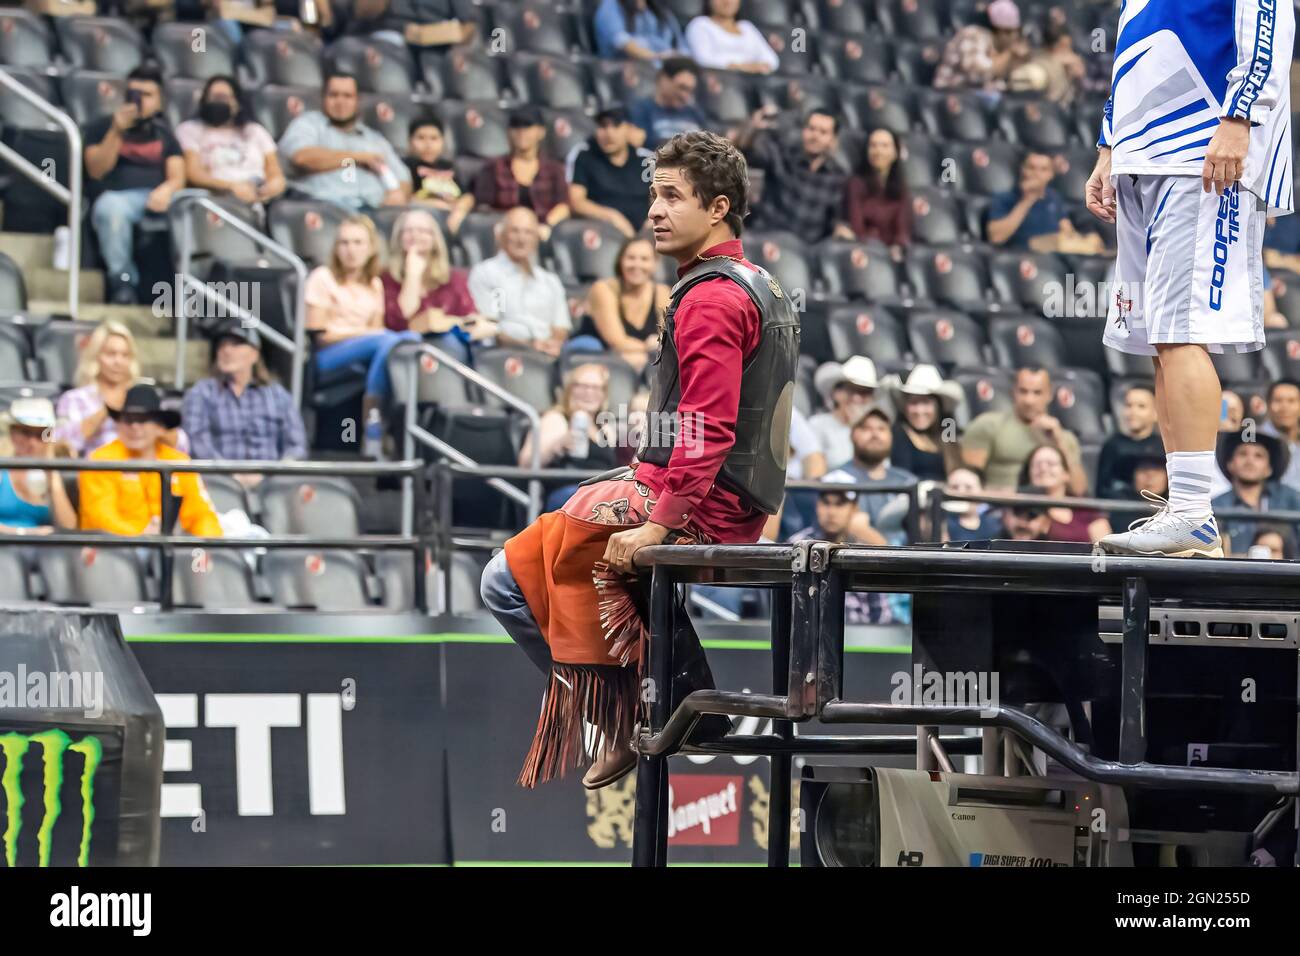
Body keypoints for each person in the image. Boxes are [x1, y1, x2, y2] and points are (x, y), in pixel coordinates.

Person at [480, 130, 798, 790]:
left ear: (718, 208)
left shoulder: (710, 296)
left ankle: (633, 714)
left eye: (671, 197)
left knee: (504, 582)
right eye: (652, 195)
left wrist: (658, 522)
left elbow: (707, 427)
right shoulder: (757, 281)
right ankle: (682, 695)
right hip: (730, 497)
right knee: (560, 540)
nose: (653, 210)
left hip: (699, 501)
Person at [1089, 0, 1295, 559]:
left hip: (1198, 142)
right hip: (1142, 151)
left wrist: (1241, 115)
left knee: (1182, 332)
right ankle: (1185, 516)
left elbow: (1269, 14)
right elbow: (1134, 40)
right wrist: (1110, 143)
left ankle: (1193, 513)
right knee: (1160, 339)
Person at [304, 214, 419, 458]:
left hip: (367, 355)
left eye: (358, 243)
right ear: (335, 248)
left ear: (370, 248)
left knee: (410, 340)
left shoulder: (374, 284)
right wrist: (366, 334)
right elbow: (320, 334)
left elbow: (378, 338)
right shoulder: (322, 277)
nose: (350, 250)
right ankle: (375, 431)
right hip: (327, 356)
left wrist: (372, 335)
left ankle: (395, 427)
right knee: (390, 339)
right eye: (344, 243)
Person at [84, 62, 186, 305]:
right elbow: (96, 170)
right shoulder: (102, 126)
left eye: (148, 95)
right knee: (111, 208)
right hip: (116, 197)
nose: (140, 100)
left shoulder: (166, 133)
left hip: (156, 198)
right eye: (134, 93)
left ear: (160, 101)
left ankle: (185, 293)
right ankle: (122, 281)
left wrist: (167, 190)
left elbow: (178, 177)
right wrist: (117, 132)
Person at [79, 385, 223, 538]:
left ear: (160, 427)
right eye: (128, 419)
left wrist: (207, 548)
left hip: (170, 549)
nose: (134, 426)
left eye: (143, 420)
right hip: (115, 552)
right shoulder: (100, 461)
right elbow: (100, 519)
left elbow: (202, 515)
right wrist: (141, 536)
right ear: (118, 424)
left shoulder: (179, 462)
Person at [181, 320, 308, 486]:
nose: (227, 350)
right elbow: (197, 443)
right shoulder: (202, 393)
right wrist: (231, 474)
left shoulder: (278, 395)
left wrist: (271, 474)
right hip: (218, 482)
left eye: (236, 344)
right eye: (222, 345)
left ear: (254, 354)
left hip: (272, 482)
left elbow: (297, 445)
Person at [55, 320, 189, 457]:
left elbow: (182, 445)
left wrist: (153, 425)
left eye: (125, 355)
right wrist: (106, 411)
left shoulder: (144, 395)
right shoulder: (75, 398)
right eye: (110, 354)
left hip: (144, 471)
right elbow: (59, 444)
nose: (118, 362)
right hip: (97, 471)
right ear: (96, 356)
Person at [279, 72, 409, 212]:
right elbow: (302, 158)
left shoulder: (374, 138)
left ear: (358, 101)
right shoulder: (308, 124)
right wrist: (359, 157)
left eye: (347, 96)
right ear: (323, 98)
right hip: (322, 207)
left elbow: (404, 179)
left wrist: (397, 194)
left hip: (372, 210)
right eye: (334, 95)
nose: (340, 102)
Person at [382, 209, 494, 365]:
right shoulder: (386, 278)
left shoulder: (453, 278)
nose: (415, 235)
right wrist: (413, 274)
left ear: (435, 238)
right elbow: (400, 319)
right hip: (406, 351)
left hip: (453, 343)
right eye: (408, 231)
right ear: (398, 238)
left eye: (423, 231)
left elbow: (470, 315)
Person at [447, 106, 570, 238]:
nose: (521, 132)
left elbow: (563, 206)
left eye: (528, 126)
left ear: (541, 131)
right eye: (516, 126)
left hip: (541, 233)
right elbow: (475, 198)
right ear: (508, 132)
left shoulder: (554, 170)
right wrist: (458, 212)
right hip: (502, 233)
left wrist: (546, 224)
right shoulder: (494, 167)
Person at [789, 470, 892, 624]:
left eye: (840, 504)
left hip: (861, 638)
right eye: (826, 502)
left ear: (854, 508)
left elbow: (881, 615)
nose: (831, 512)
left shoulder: (865, 551)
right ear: (817, 505)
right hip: (807, 635)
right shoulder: (797, 544)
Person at [962, 367, 1086, 494]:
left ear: (1049, 394)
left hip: (1052, 507)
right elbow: (967, 480)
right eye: (1023, 391)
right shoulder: (988, 425)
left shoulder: (1065, 438)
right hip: (998, 507)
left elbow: (1079, 491)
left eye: (1037, 392)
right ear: (1013, 392)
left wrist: (1059, 441)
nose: (1029, 400)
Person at [467, 207, 572, 356]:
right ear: (501, 236)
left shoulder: (550, 281)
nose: (521, 239)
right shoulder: (487, 273)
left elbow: (561, 326)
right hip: (504, 353)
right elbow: (490, 327)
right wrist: (530, 346)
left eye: (528, 232)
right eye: (515, 231)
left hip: (547, 356)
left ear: (536, 238)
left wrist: (553, 343)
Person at [736, 107, 849, 245]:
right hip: (765, 239)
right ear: (803, 131)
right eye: (811, 129)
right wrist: (752, 127)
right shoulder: (782, 153)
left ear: (833, 140)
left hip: (804, 253)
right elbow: (745, 150)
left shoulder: (838, 177)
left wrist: (841, 228)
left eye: (823, 132)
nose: (815, 136)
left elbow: (836, 220)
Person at [519, 363, 621, 511]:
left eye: (596, 387)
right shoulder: (557, 419)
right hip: (569, 495)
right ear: (569, 390)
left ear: (604, 394)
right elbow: (526, 464)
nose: (589, 392)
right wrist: (557, 446)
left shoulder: (605, 428)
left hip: (604, 494)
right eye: (582, 386)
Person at [175, 74, 285, 208]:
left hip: (258, 194)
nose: (219, 103)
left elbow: (274, 171)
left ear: (237, 104)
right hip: (216, 197)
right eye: (214, 97)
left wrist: (272, 186)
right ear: (204, 101)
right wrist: (231, 187)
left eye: (224, 98)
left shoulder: (255, 130)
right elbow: (193, 173)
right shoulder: (189, 129)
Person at [584, 235, 670, 371]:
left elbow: (668, 338)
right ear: (620, 261)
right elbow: (617, 341)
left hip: (645, 362)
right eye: (631, 258)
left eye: (644, 259)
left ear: (655, 264)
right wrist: (650, 347)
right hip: (603, 358)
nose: (637, 265)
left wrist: (657, 346)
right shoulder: (603, 289)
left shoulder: (662, 292)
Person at [568, 106, 655, 238]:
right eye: (603, 126)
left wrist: (652, 223)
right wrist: (611, 216)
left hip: (647, 236)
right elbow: (576, 202)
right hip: (604, 234)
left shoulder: (647, 160)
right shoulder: (585, 157)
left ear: (629, 128)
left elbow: (660, 198)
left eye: (616, 125)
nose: (609, 133)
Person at [835, 406, 917, 544]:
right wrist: (895, 559)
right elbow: (856, 528)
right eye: (866, 428)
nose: (875, 434)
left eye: (881, 429)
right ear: (852, 434)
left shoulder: (906, 480)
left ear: (891, 436)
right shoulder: (838, 479)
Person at [1211, 432, 1300, 554]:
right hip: (1232, 572)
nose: (1250, 461)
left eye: (1259, 456)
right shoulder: (1216, 505)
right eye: (1242, 454)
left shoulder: (1291, 499)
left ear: (1269, 468)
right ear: (1230, 464)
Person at [0, 398, 77, 535]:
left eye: (41, 434)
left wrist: (52, 474)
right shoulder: (3, 468)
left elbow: (68, 528)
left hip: (44, 552)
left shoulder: (53, 473)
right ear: (12, 432)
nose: (32, 442)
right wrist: (26, 533)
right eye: (25, 432)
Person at [882, 364, 963, 482]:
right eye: (913, 403)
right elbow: (901, 479)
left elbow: (957, 468)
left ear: (938, 406)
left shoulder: (948, 429)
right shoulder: (898, 433)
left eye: (925, 403)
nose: (919, 411)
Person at [933, 0, 1031, 96]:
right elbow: (976, 73)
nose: (1013, 36)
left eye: (1016, 31)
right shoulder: (973, 34)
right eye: (1007, 32)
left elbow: (1004, 81)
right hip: (950, 93)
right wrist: (1009, 54)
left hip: (976, 96)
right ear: (994, 29)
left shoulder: (1001, 48)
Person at [1020, 443, 1111, 543]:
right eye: (1037, 464)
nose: (1043, 468)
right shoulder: (1019, 509)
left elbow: (1105, 551)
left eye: (1050, 464)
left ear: (1066, 474)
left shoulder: (1086, 509)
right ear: (1028, 474)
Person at [843, 128, 912, 250]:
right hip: (866, 250)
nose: (878, 151)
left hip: (893, 254)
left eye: (885, 146)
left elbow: (903, 231)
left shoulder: (901, 189)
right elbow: (857, 229)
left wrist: (898, 247)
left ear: (895, 152)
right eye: (873, 145)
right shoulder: (856, 184)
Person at [808, 355, 881, 469]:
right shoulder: (818, 425)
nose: (857, 398)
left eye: (865, 392)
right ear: (836, 393)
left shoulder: (878, 429)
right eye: (851, 390)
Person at [1095, 384, 1165, 500]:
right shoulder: (1112, 446)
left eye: (1141, 406)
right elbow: (1102, 490)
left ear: (1155, 413)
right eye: (1129, 405)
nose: (1133, 411)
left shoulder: (1162, 446)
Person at [986, 152, 1069, 249]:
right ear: (1022, 169)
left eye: (1043, 169)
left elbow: (1066, 228)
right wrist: (1027, 200)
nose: (1036, 174)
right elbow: (996, 237)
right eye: (1031, 168)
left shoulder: (1054, 197)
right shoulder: (1004, 198)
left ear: (1050, 175)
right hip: (1020, 257)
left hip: (1053, 255)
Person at [628, 58, 711, 149]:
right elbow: (645, 145)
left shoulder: (694, 113)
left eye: (690, 90)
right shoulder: (642, 110)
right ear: (663, 80)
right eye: (682, 87)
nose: (685, 96)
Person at [684, 0, 778, 74]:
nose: (727, 1)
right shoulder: (700, 25)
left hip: (750, 89)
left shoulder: (747, 27)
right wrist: (749, 67)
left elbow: (772, 61)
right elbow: (705, 61)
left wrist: (738, 67)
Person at [403, 115, 463, 210]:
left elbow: (466, 196)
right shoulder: (404, 166)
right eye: (421, 138)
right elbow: (403, 199)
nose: (428, 145)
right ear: (410, 141)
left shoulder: (449, 167)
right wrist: (437, 204)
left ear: (443, 141)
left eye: (434, 138)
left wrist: (460, 208)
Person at [593, 0, 687, 60]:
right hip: (629, 74)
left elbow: (680, 45)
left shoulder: (658, 9)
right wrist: (657, 58)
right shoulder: (611, 6)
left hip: (668, 70)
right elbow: (624, 43)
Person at [941, 467, 1004, 542]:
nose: (961, 492)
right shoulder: (940, 522)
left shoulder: (993, 525)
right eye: (954, 487)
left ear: (982, 492)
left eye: (968, 488)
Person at [1259, 379, 1300, 493]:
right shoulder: (1254, 442)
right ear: (1268, 404)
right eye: (1278, 400)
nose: (1284, 407)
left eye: (1291, 401)